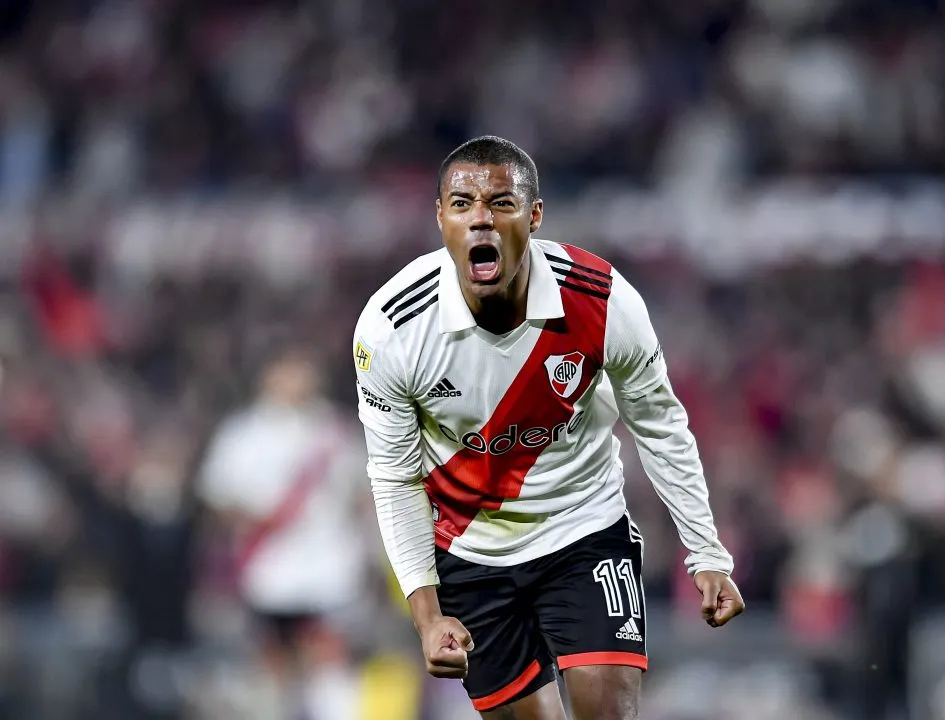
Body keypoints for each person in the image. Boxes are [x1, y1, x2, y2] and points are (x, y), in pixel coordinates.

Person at [352, 136, 744, 720]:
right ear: (440, 218)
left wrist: (706, 552)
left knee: (606, 709)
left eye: (502, 202)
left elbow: (659, 423)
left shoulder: (601, 300)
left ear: (534, 216)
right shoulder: (392, 330)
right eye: (462, 204)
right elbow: (395, 478)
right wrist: (428, 617)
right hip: (468, 549)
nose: (480, 218)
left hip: (582, 527)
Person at [199, 346, 370, 720]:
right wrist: (255, 518)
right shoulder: (243, 433)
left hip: (330, 566)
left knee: (328, 659)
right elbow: (218, 497)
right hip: (270, 568)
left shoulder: (335, 429)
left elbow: (363, 493)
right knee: (275, 665)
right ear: (269, 375)